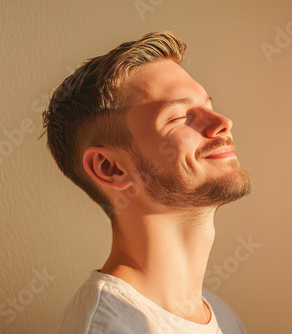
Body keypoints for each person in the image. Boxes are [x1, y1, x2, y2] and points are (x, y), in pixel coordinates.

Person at [42, 30, 253, 334]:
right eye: (180, 116)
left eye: (207, 105)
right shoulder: (110, 327)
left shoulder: (221, 315)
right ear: (110, 168)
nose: (223, 123)